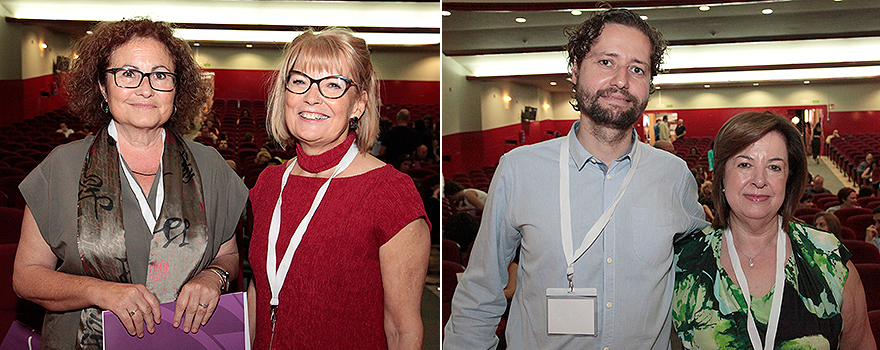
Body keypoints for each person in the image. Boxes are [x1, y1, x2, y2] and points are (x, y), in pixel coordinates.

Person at [444, 9, 706, 349]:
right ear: (574, 70)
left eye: (637, 69)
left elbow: (701, 274)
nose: (622, 81)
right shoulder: (519, 170)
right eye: (606, 62)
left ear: (649, 85)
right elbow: (480, 291)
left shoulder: (674, 176)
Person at [12, 18, 248, 349]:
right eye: (127, 74)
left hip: (188, 340)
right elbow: (26, 277)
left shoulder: (211, 167)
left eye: (160, 75)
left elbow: (228, 256)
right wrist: (98, 290)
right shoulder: (60, 167)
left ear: (177, 89)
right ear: (102, 87)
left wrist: (213, 276)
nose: (145, 88)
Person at [247, 28, 430, 349]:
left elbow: (403, 331)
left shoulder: (390, 191)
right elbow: (261, 289)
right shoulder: (268, 182)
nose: (311, 96)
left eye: (333, 84)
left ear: (358, 104)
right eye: (300, 81)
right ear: (284, 93)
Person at [672, 111, 874, 349]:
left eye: (774, 167)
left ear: (789, 178)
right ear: (721, 175)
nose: (759, 180)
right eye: (745, 164)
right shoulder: (683, 260)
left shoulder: (829, 258)